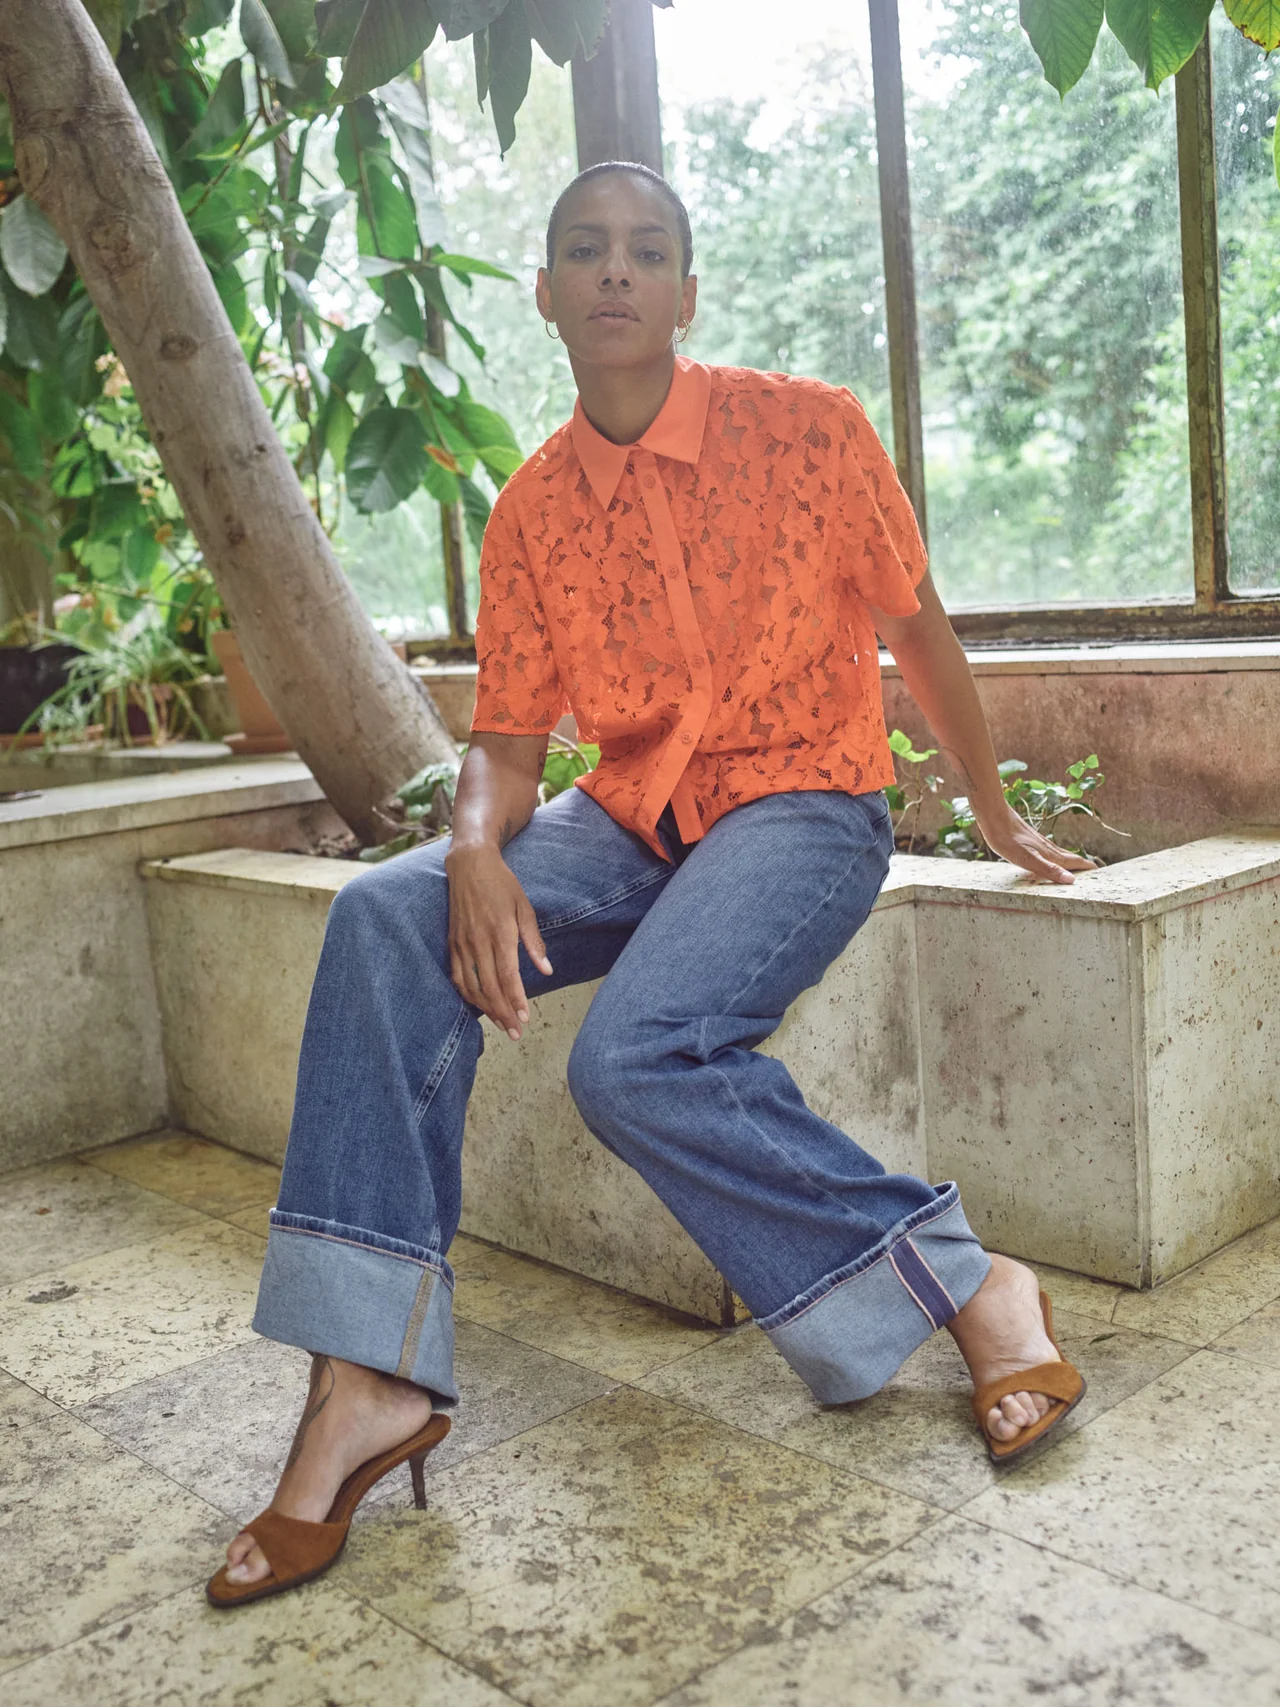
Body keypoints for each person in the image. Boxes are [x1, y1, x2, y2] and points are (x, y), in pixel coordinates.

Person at [208, 161, 1087, 1608]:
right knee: (382, 917)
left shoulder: (809, 430)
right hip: (630, 819)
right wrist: (473, 848)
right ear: (546, 293)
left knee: (634, 1056)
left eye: (647, 249)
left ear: (688, 291)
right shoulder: (530, 514)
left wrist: (987, 804)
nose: (615, 270)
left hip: (803, 800)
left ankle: (971, 1283)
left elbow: (916, 630)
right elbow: (507, 743)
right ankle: (367, 1378)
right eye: (584, 248)